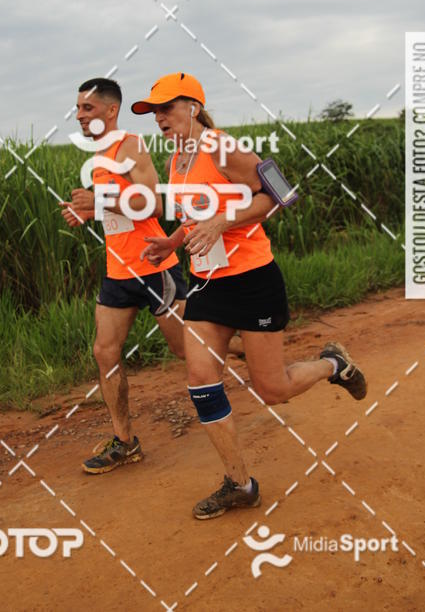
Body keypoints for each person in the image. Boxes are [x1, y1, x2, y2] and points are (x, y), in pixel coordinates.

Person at [132, 72, 368, 519]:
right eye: (154, 111)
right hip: (206, 281)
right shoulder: (176, 160)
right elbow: (197, 214)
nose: (159, 117)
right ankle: (240, 483)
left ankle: (334, 363)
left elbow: (280, 196)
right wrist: (174, 240)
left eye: (166, 107)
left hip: (253, 279)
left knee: (273, 388)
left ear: (193, 108)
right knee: (200, 377)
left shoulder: (222, 148)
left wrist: (225, 223)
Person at [60, 77, 187, 474]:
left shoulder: (129, 144)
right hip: (118, 271)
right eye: (78, 109)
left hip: (153, 265)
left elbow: (150, 198)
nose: (80, 115)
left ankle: (257, 354)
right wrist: (90, 212)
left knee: (188, 349)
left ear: (110, 111)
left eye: (88, 108)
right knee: (104, 351)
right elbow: (119, 208)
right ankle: (125, 441)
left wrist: (98, 200)